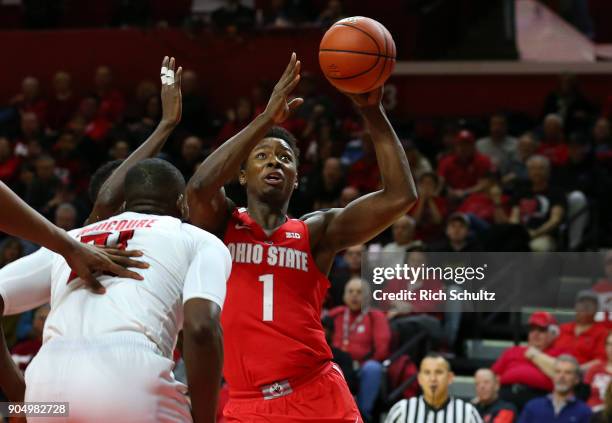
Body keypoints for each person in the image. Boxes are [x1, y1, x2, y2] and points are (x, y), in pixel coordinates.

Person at [186, 53, 418, 422]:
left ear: (296, 177)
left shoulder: (315, 232)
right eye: (261, 155)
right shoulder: (220, 225)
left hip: (317, 394)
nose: (275, 162)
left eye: (285, 158)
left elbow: (400, 196)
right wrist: (265, 119)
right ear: (242, 175)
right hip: (247, 405)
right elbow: (198, 188)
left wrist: (373, 111)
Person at [0, 158, 231, 422]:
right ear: (182, 204)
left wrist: (17, 392)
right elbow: (202, 327)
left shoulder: (72, 240)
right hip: (128, 379)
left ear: (124, 204)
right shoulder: (197, 239)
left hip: (47, 386)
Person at [328, 278, 391, 421]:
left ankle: (363, 415)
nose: (354, 295)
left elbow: (382, 349)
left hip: (361, 367)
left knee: (373, 368)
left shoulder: (375, 316)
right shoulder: (335, 314)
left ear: (368, 297)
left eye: (359, 292)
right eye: (351, 291)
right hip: (336, 366)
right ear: (344, 296)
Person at [492, 311, 565, 410]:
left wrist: (535, 355)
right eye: (532, 330)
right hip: (506, 396)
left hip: (539, 398)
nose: (535, 334)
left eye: (541, 330)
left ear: (553, 334)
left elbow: (561, 374)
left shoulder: (560, 353)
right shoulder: (513, 351)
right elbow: (492, 375)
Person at [384, 353, 483, 423]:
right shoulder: (402, 410)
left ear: (450, 378)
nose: (433, 379)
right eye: (427, 373)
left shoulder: (467, 412)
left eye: (439, 372)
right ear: (420, 379)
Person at [518, 355, 592, 423]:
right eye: (557, 372)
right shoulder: (533, 406)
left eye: (568, 373)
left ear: (576, 379)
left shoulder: (584, 412)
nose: (561, 376)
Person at [584, 332, 612, 411]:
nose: (611, 348)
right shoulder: (595, 369)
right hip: (592, 413)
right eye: (609, 344)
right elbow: (584, 394)